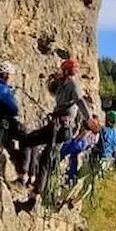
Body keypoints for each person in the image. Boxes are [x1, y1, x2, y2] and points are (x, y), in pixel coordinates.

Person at [14, 58, 93, 211]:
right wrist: (53, 80)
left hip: (61, 129)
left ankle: (30, 194)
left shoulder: (73, 85)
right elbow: (52, 91)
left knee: (44, 158)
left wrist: (88, 118)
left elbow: (80, 101)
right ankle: (28, 179)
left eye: (63, 71)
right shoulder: (63, 85)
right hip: (56, 126)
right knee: (32, 143)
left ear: (66, 71)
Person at [0, 62, 24, 178]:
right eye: (12, 75)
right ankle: (24, 174)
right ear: (6, 75)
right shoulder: (3, 90)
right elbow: (14, 109)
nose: (13, 78)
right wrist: (11, 95)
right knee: (28, 139)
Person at [60, 115, 102, 185]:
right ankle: (72, 175)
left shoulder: (87, 131)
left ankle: (69, 172)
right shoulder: (96, 134)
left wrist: (76, 139)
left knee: (66, 150)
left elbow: (80, 137)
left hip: (79, 144)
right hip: (83, 146)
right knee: (73, 157)